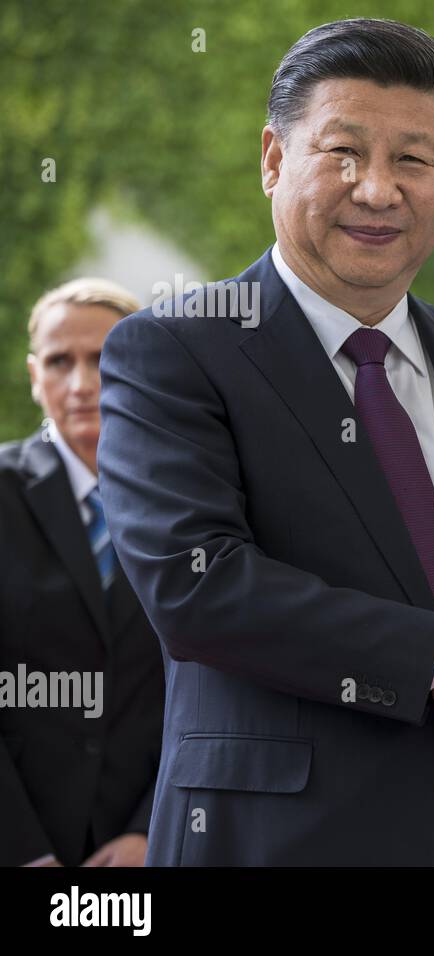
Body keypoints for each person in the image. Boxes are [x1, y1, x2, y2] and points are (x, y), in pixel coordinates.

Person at [96, 18, 434, 866]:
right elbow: (197, 587)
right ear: (271, 160)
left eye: (413, 160)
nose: (377, 189)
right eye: (342, 152)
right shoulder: (173, 350)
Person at [1, 279, 163, 867]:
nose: (81, 383)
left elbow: (213, 685)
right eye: (59, 361)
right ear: (33, 374)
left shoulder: (190, 500)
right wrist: (24, 853)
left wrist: (153, 830)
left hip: (149, 846)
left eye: (104, 358)